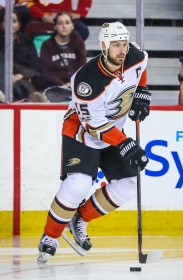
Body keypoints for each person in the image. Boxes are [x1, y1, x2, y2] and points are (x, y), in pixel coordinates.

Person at [37, 22, 151, 263]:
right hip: (81, 133)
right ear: (103, 46)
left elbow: (142, 69)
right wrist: (125, 143)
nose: (122, 50)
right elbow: (95, 126)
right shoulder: (86, 81)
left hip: (113, 133)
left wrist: (142, 92)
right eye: (115, 45)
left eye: (124, 44)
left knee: (131, 184)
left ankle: (80, 219)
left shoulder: (135, 56)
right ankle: (49, 237)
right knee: (78, 184)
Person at [40, 11, 87, 101]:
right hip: (54, 86)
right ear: (55, 27)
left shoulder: (78, 42)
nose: (64, 26)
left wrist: (73, 83)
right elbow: (47, 71)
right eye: (60, 23)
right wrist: (61, 84)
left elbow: (82, 67)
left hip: (75, 86)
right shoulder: (47, 45)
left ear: (72, 26)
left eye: (67, 23)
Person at [0, 9, 44, 101]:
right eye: (6, 21)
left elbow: (36, 66)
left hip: (23, 78)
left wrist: (21, 75)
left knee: (22, 85)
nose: (10, 25)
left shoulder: (27, 42)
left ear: (19, 25)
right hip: (3, 79)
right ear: (1, 25)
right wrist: (8, 76)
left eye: (14, 21)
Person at [21, 0, 92, 41]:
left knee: (82, 30)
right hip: (38, 17)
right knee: (29, 29)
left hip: (65, 15)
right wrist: (42, 16)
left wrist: (80, 12)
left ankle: (69, 52)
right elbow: (23, 2)